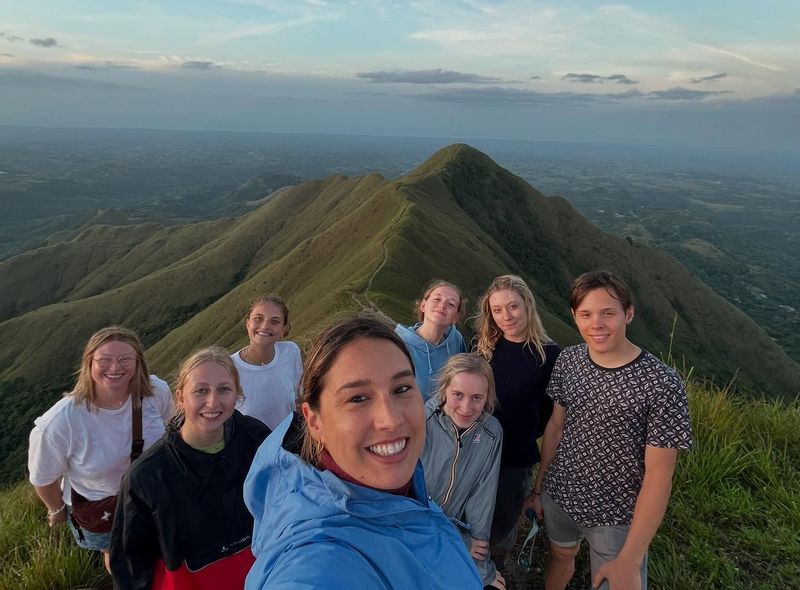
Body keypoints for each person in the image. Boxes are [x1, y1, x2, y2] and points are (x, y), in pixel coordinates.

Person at [244, 316, 482, 589]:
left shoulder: (400, 495)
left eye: (401, 388)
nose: (390, 420)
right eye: (358, 398)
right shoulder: (320, 564)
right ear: (314, 421)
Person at [527, 270, 693, 590]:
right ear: (574, 316)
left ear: (628, 314)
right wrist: (539, 490)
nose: (596, 324)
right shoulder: (569, 360)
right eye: (586, 314)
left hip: (618, 513)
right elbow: (556, 426)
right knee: (561, 554)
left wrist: (630, 559)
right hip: (561, 493)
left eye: (608, 313)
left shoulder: (662, 383)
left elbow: (660, 476)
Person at [110, 346, 271, 590]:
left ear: (237, 393)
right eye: (201, 391)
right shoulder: (146, 478)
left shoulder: (256, 438)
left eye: (224, 389)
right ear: (180, 398)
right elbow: (131, 567)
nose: (213, 402)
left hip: (264, 578)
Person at [28, 326, 173, 571]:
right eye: (104, 360)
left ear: (138, 362)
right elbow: (42, 478)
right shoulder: (61, 421)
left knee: (161, 549)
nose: (115, 368)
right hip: (103, 508)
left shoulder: (155, 391)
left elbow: (172, 429)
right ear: (89, 363)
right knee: (118, 555)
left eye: (125, 359)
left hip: (153, 494)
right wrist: (58, 509)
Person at [474, 274, 561, 567]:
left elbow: (552, 418)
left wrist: (539, 485)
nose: (505, 316)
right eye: (497, 310)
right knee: (466, 516)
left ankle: (493, 574)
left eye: (512, 307)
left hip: (513, 458)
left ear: (527, 305)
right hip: (472, 451)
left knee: (501, 524)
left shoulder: (549, 356)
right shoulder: (483, 347)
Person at [421, 353, 505, 589]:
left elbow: (482, 499)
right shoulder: (422, 421)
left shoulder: (491, 432)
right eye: (458, 395)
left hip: (452, 539)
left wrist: (483, 571)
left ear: (487, 397)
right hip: (412, 534)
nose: (466, 408)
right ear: (444, 388)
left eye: (477, 398)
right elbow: (407, 499)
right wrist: (459, 540)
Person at [231, 294, 303, 430]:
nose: (265, 326)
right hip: (252, 448)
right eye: (258, 319)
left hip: (290, 443)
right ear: (247, 324)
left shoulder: (291, 352)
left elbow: (298, 399)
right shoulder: (229, 368)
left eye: (274, 321)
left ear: (283, 329)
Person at [395, 279, 468, 400]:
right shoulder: (398, 344)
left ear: (455, 317)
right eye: (437, 299)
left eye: (451, 304)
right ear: (423, 306)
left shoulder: (456, 340)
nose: (442, 305)